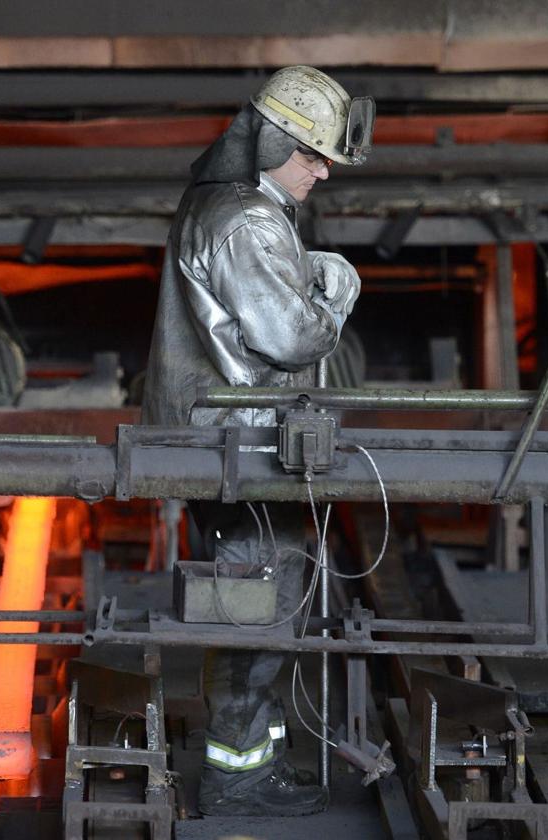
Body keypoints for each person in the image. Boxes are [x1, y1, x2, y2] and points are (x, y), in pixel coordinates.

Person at [140, 66, 372, 816]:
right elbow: (293, 335)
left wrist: (307, 270)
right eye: (309, 150)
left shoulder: (235, 205)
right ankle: (236, 780)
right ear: (270, 138)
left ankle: (252, 763)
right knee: (257, 614)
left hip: (235, 446)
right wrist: (336, 291)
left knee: (262, 609)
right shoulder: (245, 219)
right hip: (245, 449)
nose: (322, 167)